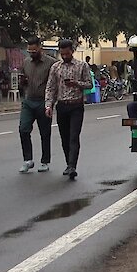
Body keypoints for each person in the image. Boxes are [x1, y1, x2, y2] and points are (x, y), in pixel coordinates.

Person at [45, 39, 92, 180]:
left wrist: (76, 84)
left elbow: (89, 84)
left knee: (73, 136)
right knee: (64, 137)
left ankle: (72, 166)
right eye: (62, 53)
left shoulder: (82, 66)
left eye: (67, 53)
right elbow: (51, 87)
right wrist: (48, 105)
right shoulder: (55, 67)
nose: (65, 56)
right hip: (62, 106)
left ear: (72, 51)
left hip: (76, 105)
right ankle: (68, 163)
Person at [18, 38, 54, 173]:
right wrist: (23, 82)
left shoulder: (51, 63)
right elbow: (23, 80)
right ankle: (28, 159)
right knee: (23, 129)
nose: (32, 53)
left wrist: (51, 102)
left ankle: (45, 161)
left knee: (45, 132)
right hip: (28, 100)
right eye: (29, 51)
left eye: (34, 51)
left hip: (43, 101)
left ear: (40, 48)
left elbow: (55, 83)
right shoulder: (26, 62)